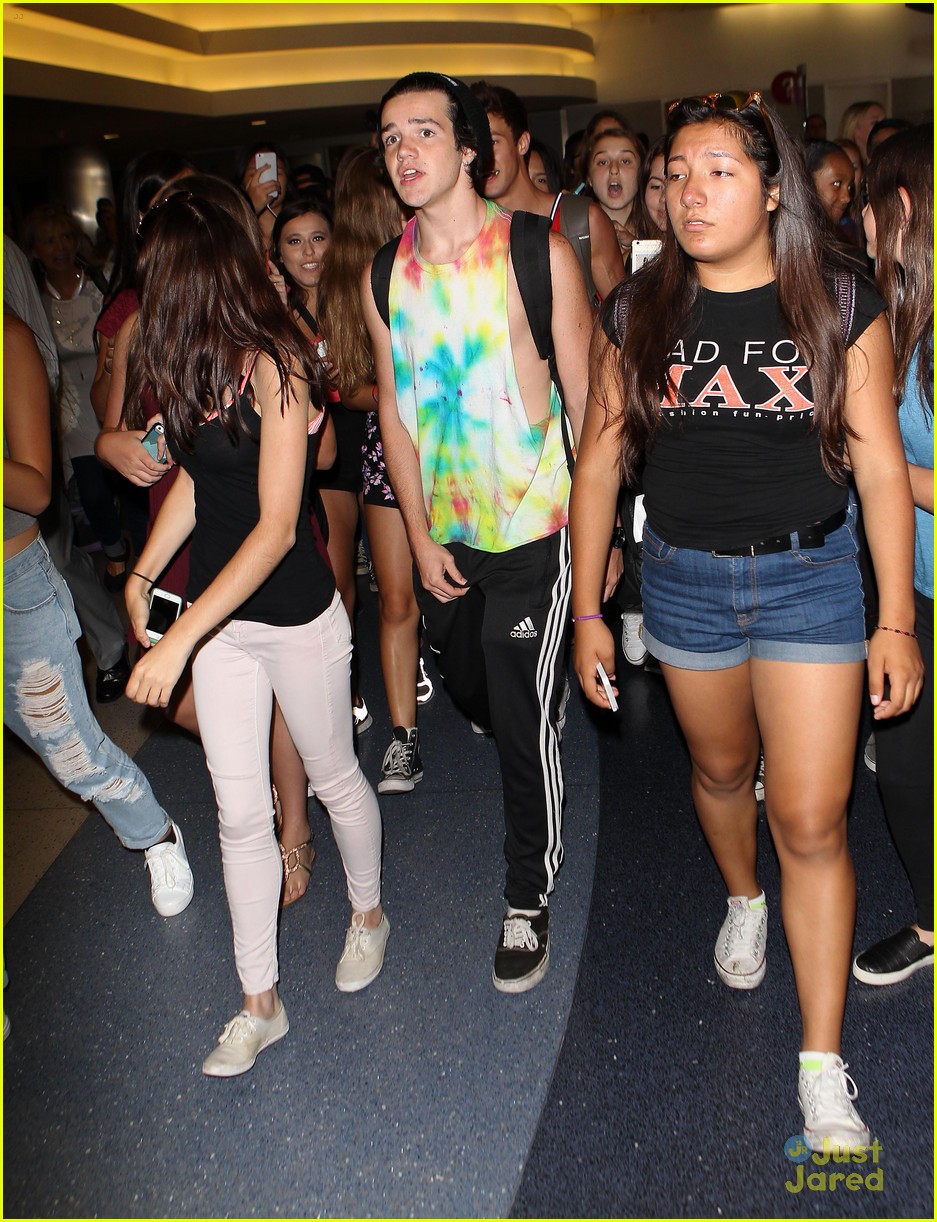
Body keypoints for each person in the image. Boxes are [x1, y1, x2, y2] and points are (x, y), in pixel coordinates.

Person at [570, 90, 923, 1151]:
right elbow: (595, 462)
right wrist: (587, 604)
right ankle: (740, 897)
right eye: (677, 171)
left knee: (810, 820)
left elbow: (876, 468)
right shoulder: (636, 310)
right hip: (680, 582)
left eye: (719, 169)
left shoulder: (836, 299)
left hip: (812, 579)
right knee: (722, 775)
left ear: (775, 189)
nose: (689, 191)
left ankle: (821, 1067)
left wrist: (895, 620)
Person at [123, 187, 387, 1077]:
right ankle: (258, 1003)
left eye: (157, 275)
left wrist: (176, 637)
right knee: (241, 817)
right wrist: (143, 570)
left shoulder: (280, 361)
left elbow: (278, 525)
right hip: (223, 623)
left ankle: (367, 914)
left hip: (295, 610)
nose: (147, 290)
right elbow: (200, 483)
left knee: (333, 776)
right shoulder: (198, 358)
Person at [363, 71, 591, 993]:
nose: (403, 152)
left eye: (422, 132)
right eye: (388, 139)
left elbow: (589, 404)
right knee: (473, 689)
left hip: (538, 527)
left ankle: (525, 895)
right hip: (446, 535)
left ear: (468, 149)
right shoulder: (385, 273)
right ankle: (529, 707)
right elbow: (394, 410)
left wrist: (604, 536)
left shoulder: (536, 252)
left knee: (521, 714)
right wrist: (416, 538)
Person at [4, 311, 194, 920]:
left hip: (13, 584)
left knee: (72, 750)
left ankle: (154, 833)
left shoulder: (9, 340)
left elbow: (36, 492)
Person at [317, 145, 429, 795]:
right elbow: (348, 387)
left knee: (467, 593)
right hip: (388, 451)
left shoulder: (435, 256)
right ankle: (402, 739)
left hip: (464, 447)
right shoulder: (345, 277)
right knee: (395, 596)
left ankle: (482, 690)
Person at [852, 125, 933, 987]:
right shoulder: (897, 312)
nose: (859, 224)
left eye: (867, 207)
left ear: (899, 208)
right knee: (906, 770)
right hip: (914, 587)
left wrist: (875, 463)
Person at [4, 234, 130, 704]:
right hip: (61, 412)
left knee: (59, 552)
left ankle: (111, 647)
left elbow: (35, 491)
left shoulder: (12, 332)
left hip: (55, 413)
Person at [270, 197, 372, 737]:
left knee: (398, 575)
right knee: (338, 580)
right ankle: (346, 687)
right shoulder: (274, 318)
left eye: (318, 238)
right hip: (321, 449)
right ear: (279, 253)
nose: (309, 252)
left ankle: (424, 654)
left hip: (373, 435)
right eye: (294, 241)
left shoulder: (358, 297)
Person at [25, 203, 128, 592]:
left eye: (66, 237)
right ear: (35, 250)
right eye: (50, 240)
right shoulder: (35, 300)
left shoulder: (101, 282)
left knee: (124, 479)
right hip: (69, 405)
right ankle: (116, 552)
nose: (60, 247)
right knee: (91, 486)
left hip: (110, 388)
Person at [470, 80, 625, 306]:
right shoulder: (466, 232)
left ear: (521, 143)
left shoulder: (583, 221)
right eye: (475, 144)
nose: (483, 156)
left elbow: (624, 324)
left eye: (493, 141)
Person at [583, 126, 644, 261]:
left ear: (641, 173)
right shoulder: (575, 236)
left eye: (625, 161)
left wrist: (639, 248)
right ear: (589, 178)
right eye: (603, 162)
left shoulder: (661, 229)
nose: (614, 169)